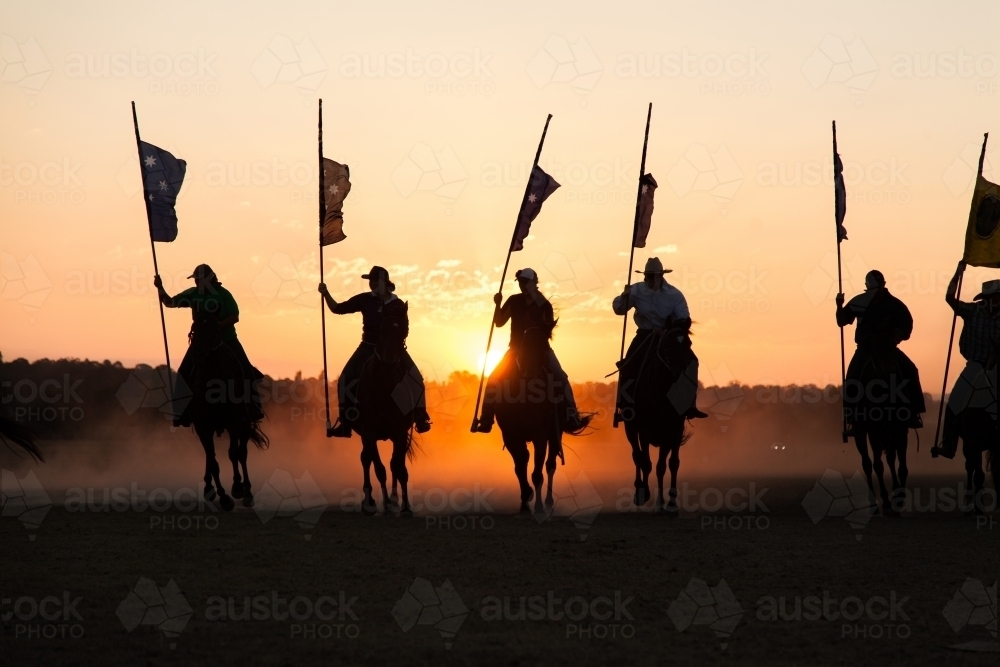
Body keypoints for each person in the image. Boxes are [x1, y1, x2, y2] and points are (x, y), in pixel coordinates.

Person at [319, 265, 431, 437]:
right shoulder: (365, 300)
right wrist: (325, 293)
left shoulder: (398, 304)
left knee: (416, 378)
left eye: (375, 280)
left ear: (385, 282)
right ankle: (345, 423)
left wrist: (394, 338)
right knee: (344, 380)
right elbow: (337, 309)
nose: (371, 284)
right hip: (368, 347)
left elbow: (405, 329)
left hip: (395, 350)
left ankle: (420, 417)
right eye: (370, 281)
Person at [473, 268, 583, 433]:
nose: (522, 286)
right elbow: (499, 322)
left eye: (525, 282)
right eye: (520, 283)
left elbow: (548, 332)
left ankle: (571, 414)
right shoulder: (514, 300)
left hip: (540, 350)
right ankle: (486, 419)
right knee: (494, 378)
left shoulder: (543, 305)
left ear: (533, 282)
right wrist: (497, 305)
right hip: (515, 349)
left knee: (561, 376)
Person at [154, 264, 264, 427]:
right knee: (183, 372)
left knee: (246, 370)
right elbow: (169, 303)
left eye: (199, 279)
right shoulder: (192, 294)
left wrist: (217, 327)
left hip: (227, 340)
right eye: (196, 279)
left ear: (210, 278)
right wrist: (160, 287)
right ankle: (180, 412)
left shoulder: (224, 295)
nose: (197, 282)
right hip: (201, 342)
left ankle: (254, 407)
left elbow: (234, 316)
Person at [612, 257, 707, 422]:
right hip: (644, 335)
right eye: (650, 276)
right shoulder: (635, 290)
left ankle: (689, 404)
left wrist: (669, 331)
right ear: (645, 276)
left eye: (656, 276)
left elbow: (683, 319)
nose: (653, 279)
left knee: (692, 362)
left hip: (668, 337)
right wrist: (623, 296)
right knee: (627, 365)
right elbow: (619, 310)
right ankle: (625, 405)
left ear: (662, 276)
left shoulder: (675, 295)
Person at [836, 269, 926, 431]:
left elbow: (906, 326)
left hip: (887, 349)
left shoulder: (895, 305)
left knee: (911, 370)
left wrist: (894, 337)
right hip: (865, 350)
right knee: (851, 379)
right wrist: (839, 306)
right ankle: (852, 417)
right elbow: (842, 320)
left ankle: (913, 412)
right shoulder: (862, 301)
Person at [931, 263, 999, 458]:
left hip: (998, 368)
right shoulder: (972, 311)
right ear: (988, 298)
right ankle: (948, 443)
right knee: (954, 400)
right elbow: (949, 298)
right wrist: (957, 275)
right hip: (975, 367)